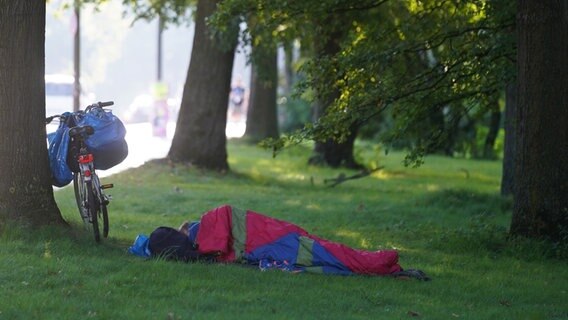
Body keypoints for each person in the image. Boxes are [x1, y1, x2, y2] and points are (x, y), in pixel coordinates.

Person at [129, 205, 429, 279]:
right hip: (278, 235)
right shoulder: (209, 223)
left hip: (274, 239)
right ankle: (385, 265)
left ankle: (383, 263)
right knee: (332, 255)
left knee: (330, 257)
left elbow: (219, 244)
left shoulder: (209, 224)